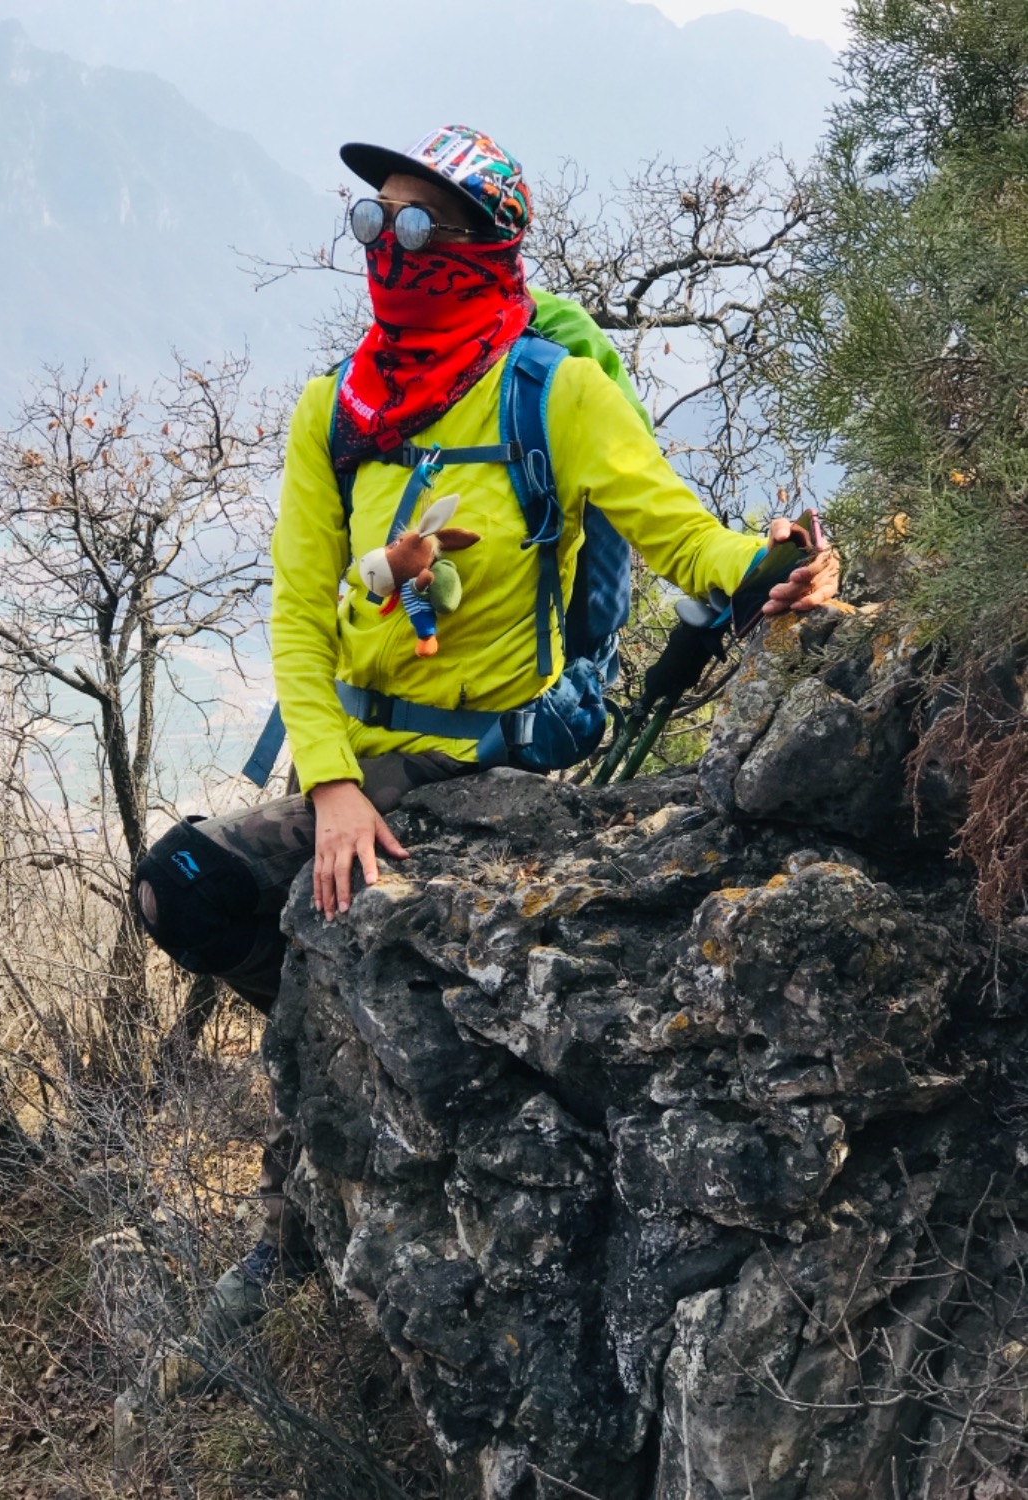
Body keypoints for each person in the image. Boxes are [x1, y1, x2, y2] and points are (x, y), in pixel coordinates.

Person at [135, 124, 840, 1335]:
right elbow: (298, 618)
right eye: (374, 221)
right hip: (359, 763)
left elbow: (681, 537)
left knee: (325, 934)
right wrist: (335, 784)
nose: (389, 247)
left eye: (417, 224)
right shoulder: (341, 407)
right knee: (182, 886)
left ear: (482, 244)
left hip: (484, 769)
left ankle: (295, 1212)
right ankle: (323, 1070)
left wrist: (774, 567)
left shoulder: (553, 393)